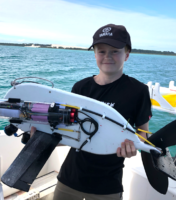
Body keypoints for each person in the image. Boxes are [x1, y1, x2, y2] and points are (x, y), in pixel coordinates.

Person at [31, 24, 152, 200]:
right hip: (69, 178)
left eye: (115, 51)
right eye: (101, 51)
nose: (107, 56)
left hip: (107, 185)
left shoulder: (138, 91)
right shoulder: (80, 87)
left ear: (126, 54)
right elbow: (70, 131)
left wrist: (135, 146)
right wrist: (43, 136)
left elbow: (143, 132)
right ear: (94, 54)